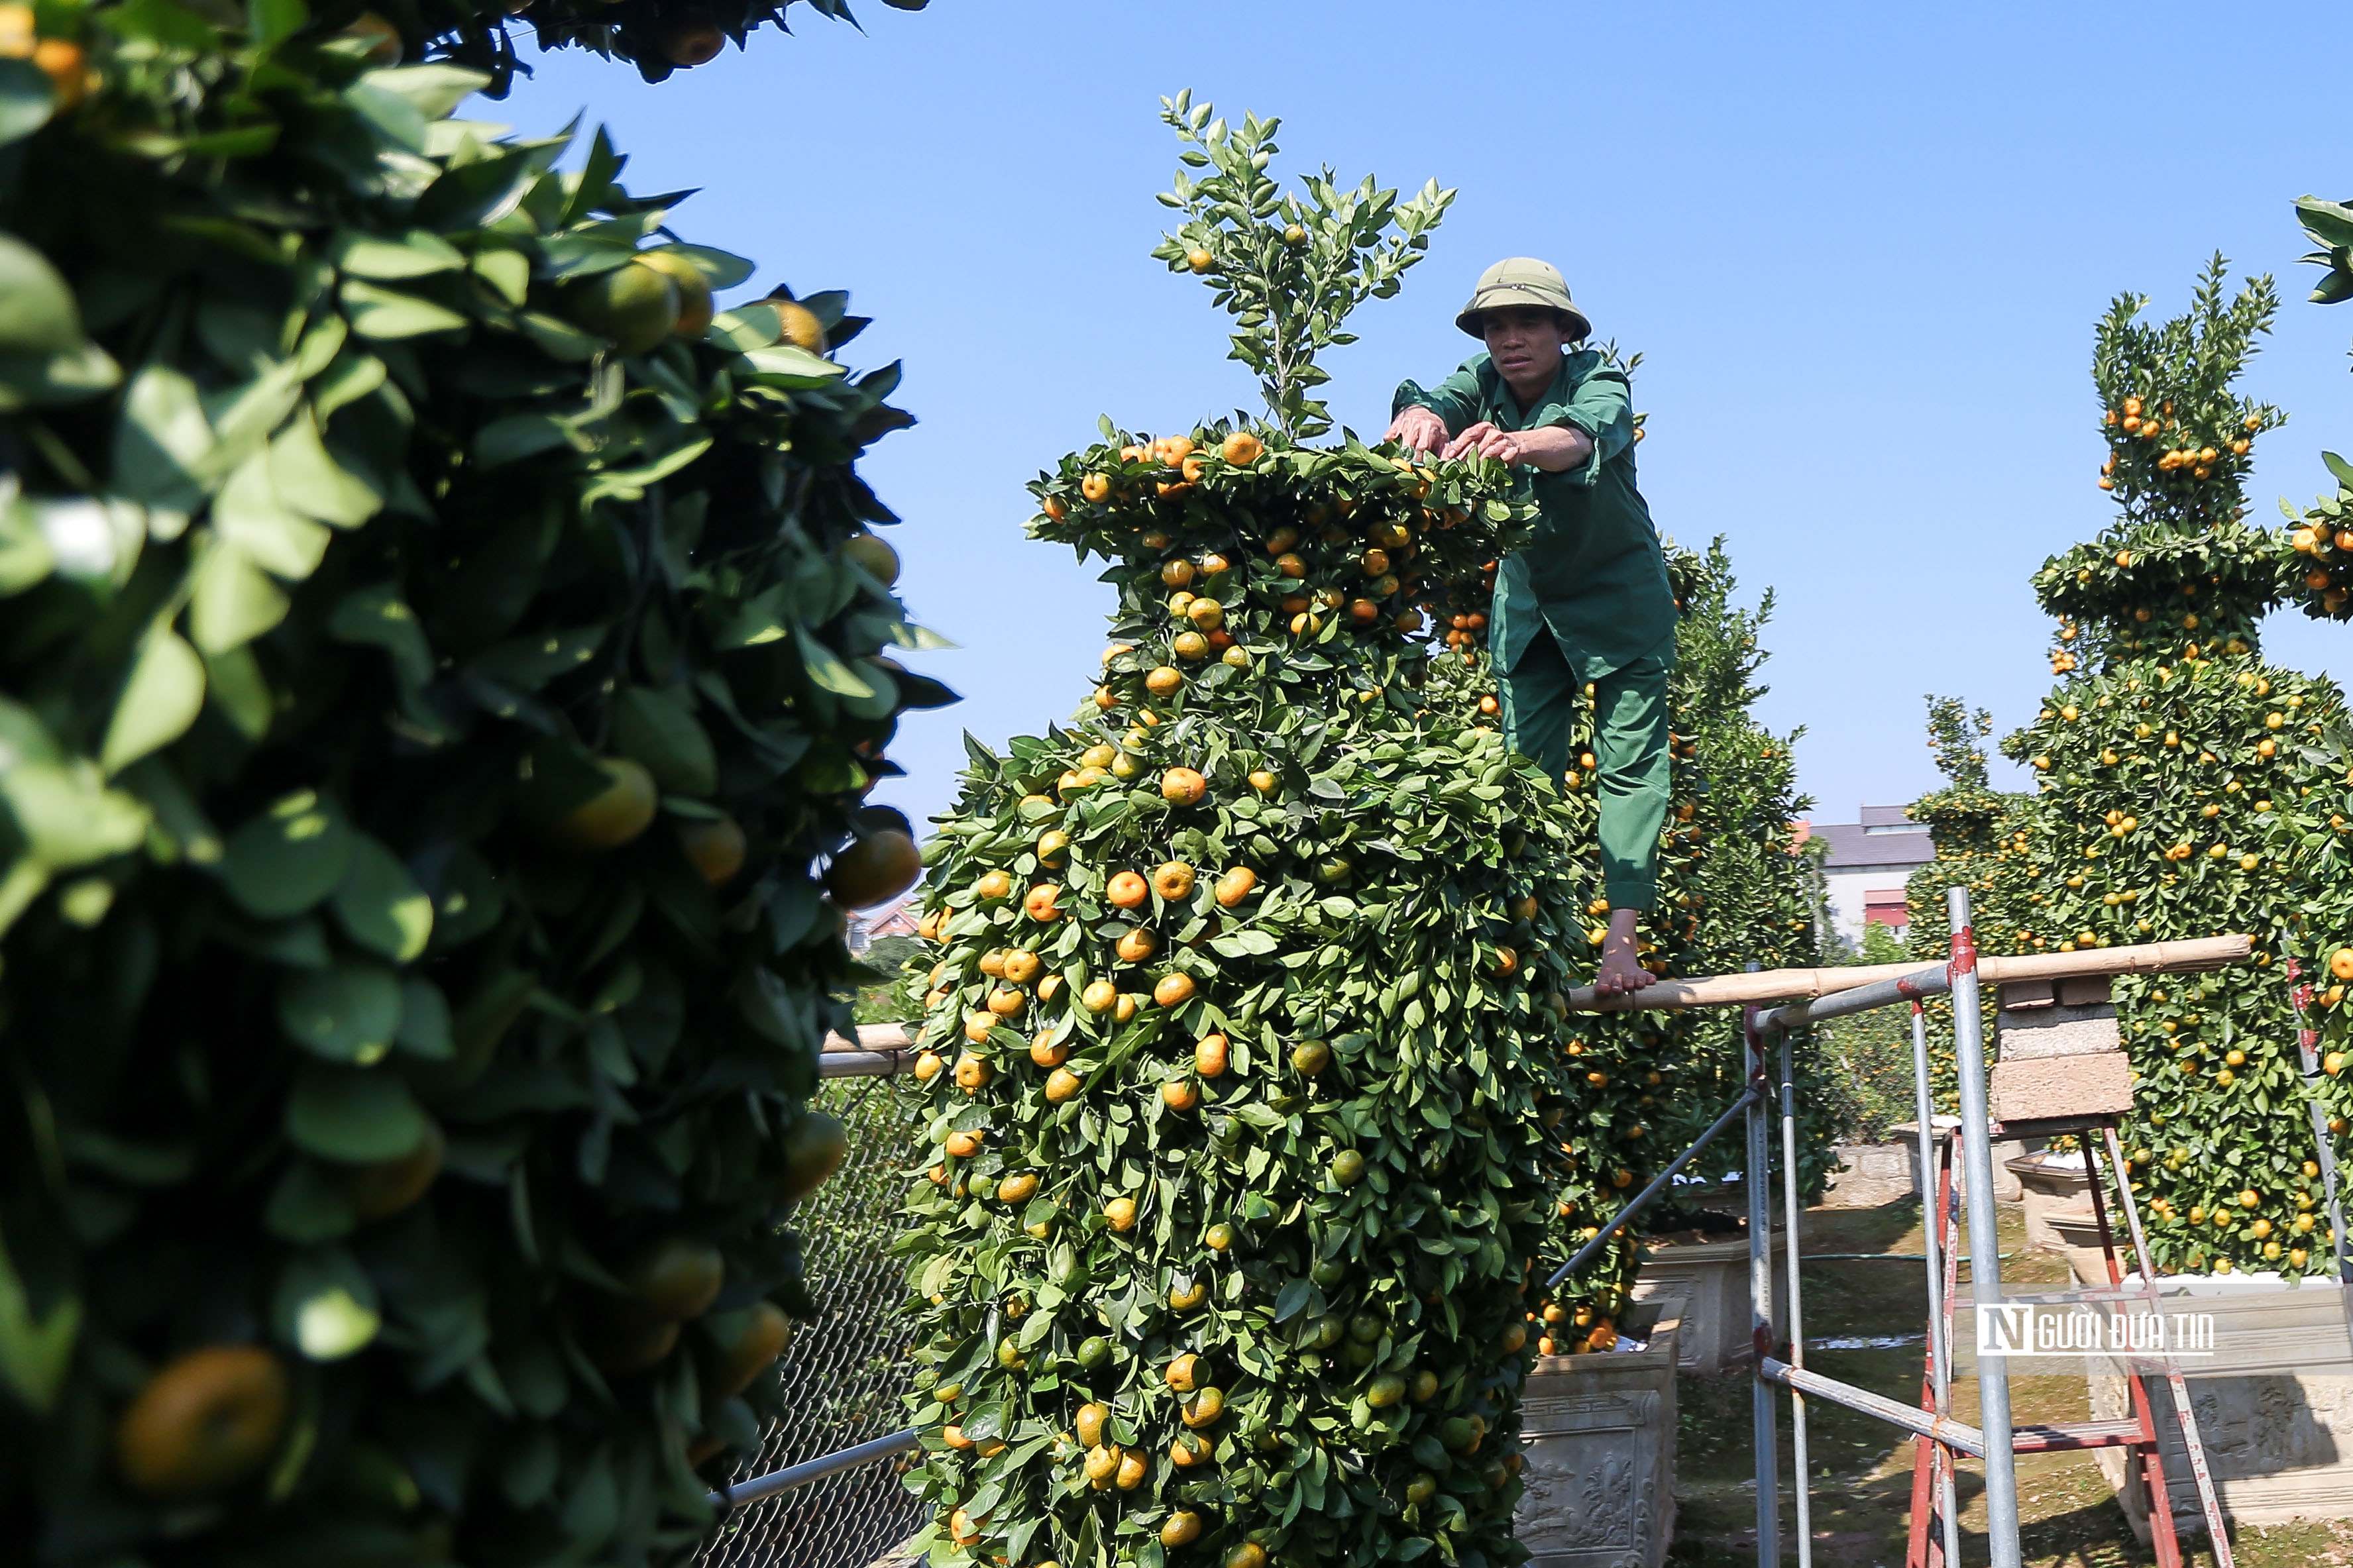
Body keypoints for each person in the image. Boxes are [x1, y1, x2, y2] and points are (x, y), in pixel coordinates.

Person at [1384, 257, 1676, 998]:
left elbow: (1580, 437)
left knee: (1629, 769)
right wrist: (1419, 417)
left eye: (1527, 323)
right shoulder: (1479, 382)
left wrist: (1520, 443)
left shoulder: (1597, 380)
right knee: (1521, 773)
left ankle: (1619, 942)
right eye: (1495, 326)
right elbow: (1432, 399)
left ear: (1561, 331)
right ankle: (1528, 932)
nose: (1510, 339)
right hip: (1530, 605)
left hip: (1619, 602)